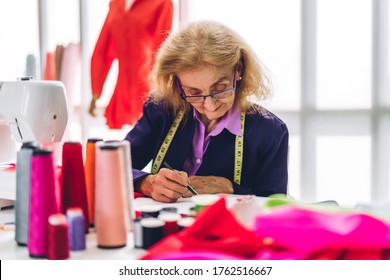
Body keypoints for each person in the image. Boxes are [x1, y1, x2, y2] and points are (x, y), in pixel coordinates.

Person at [125, 20, 289, 203]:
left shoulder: (271, 133)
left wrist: (230, 187)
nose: (210, 105)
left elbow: (274, 207)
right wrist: (147, 182)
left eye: (221, 88)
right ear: (176, 84)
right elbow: (113, 168)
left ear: (239, 70)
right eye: (194, 92)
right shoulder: (162, 109)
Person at [89, 0, 173, 129]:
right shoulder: (115, 4)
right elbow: (103, 49)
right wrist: (96, 91)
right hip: (121, 91)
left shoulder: (162, 3)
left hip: (148, 88)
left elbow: (163, 48)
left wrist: (163, 90)